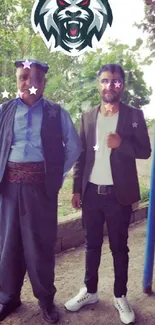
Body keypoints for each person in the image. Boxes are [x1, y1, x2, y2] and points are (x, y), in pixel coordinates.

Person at [64, 63, 151, 324]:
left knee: (119, 248)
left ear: (122, 85)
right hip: (91, 194)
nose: (109, 86)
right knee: (91, 246)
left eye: (114, 81)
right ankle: (90, 292)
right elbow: (81, 155)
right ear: (98, 84)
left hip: (118, 195)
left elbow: (145, 151)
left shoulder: (134, 115)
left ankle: (120, 295)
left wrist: (121, 144)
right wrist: (77, 189)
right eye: (104, 81)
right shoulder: (88, 116)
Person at [0, 58, 82, 323]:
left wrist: (55, 175)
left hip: (41, 190)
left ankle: (46, 300)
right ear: (17, 80)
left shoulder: (56, 113)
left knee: (40, 247)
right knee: (7, 245)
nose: (28, 83)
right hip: (8, 189)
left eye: (34, 78)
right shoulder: (4, 111)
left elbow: (74, 147)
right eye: (23, 77)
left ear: (43, 83)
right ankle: (8, 297)